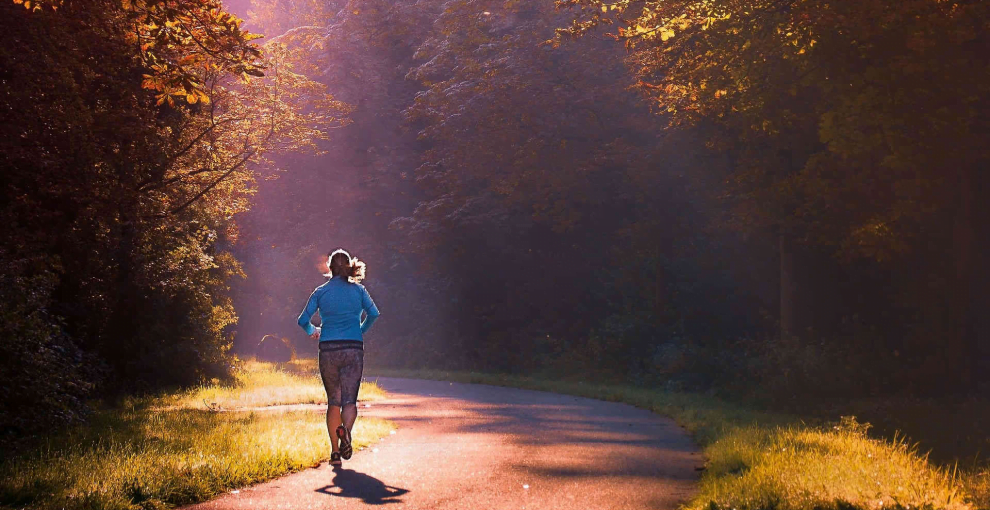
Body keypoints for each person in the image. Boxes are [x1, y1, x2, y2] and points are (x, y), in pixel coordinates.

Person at [297, 248, 380, 468]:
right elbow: (374, 314)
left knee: (334, 401)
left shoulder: (320, 292)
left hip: (328, 348)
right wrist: (360, 329)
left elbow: (302, 320)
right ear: (348, 267)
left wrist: (313, 330)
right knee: (350, 400)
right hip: (353, 347)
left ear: (330, 268)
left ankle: (335, 452)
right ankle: (347, 433)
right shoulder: (359, 291)